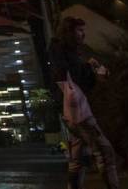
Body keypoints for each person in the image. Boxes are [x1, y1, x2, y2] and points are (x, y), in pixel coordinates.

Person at [48, 16, 119, 189]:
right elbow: (71, 76)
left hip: (71, 110)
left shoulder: (66, 50)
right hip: (77, 110)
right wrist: (89, 68)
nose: (83, 34)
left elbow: (76, 77)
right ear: (69, 32)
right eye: (79, 30)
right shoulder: (61, 50)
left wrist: (90, 70)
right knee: (104, 151)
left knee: (77, 158)